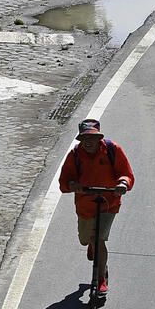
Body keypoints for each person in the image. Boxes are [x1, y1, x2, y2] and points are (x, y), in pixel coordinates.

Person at [59, 118, 134, 296]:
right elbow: (64, 182)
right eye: (84, 138)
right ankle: (91, 244)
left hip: (109, 203)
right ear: (80, 139)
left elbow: (126, 174)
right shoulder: (75, 155)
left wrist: (123, 184)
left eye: (92, 137)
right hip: (85, 205)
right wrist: (73, 185)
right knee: (85, 239)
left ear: (99, 137)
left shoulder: (112, 150)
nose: (88, 141)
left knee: (99, 240)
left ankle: (101, 279)